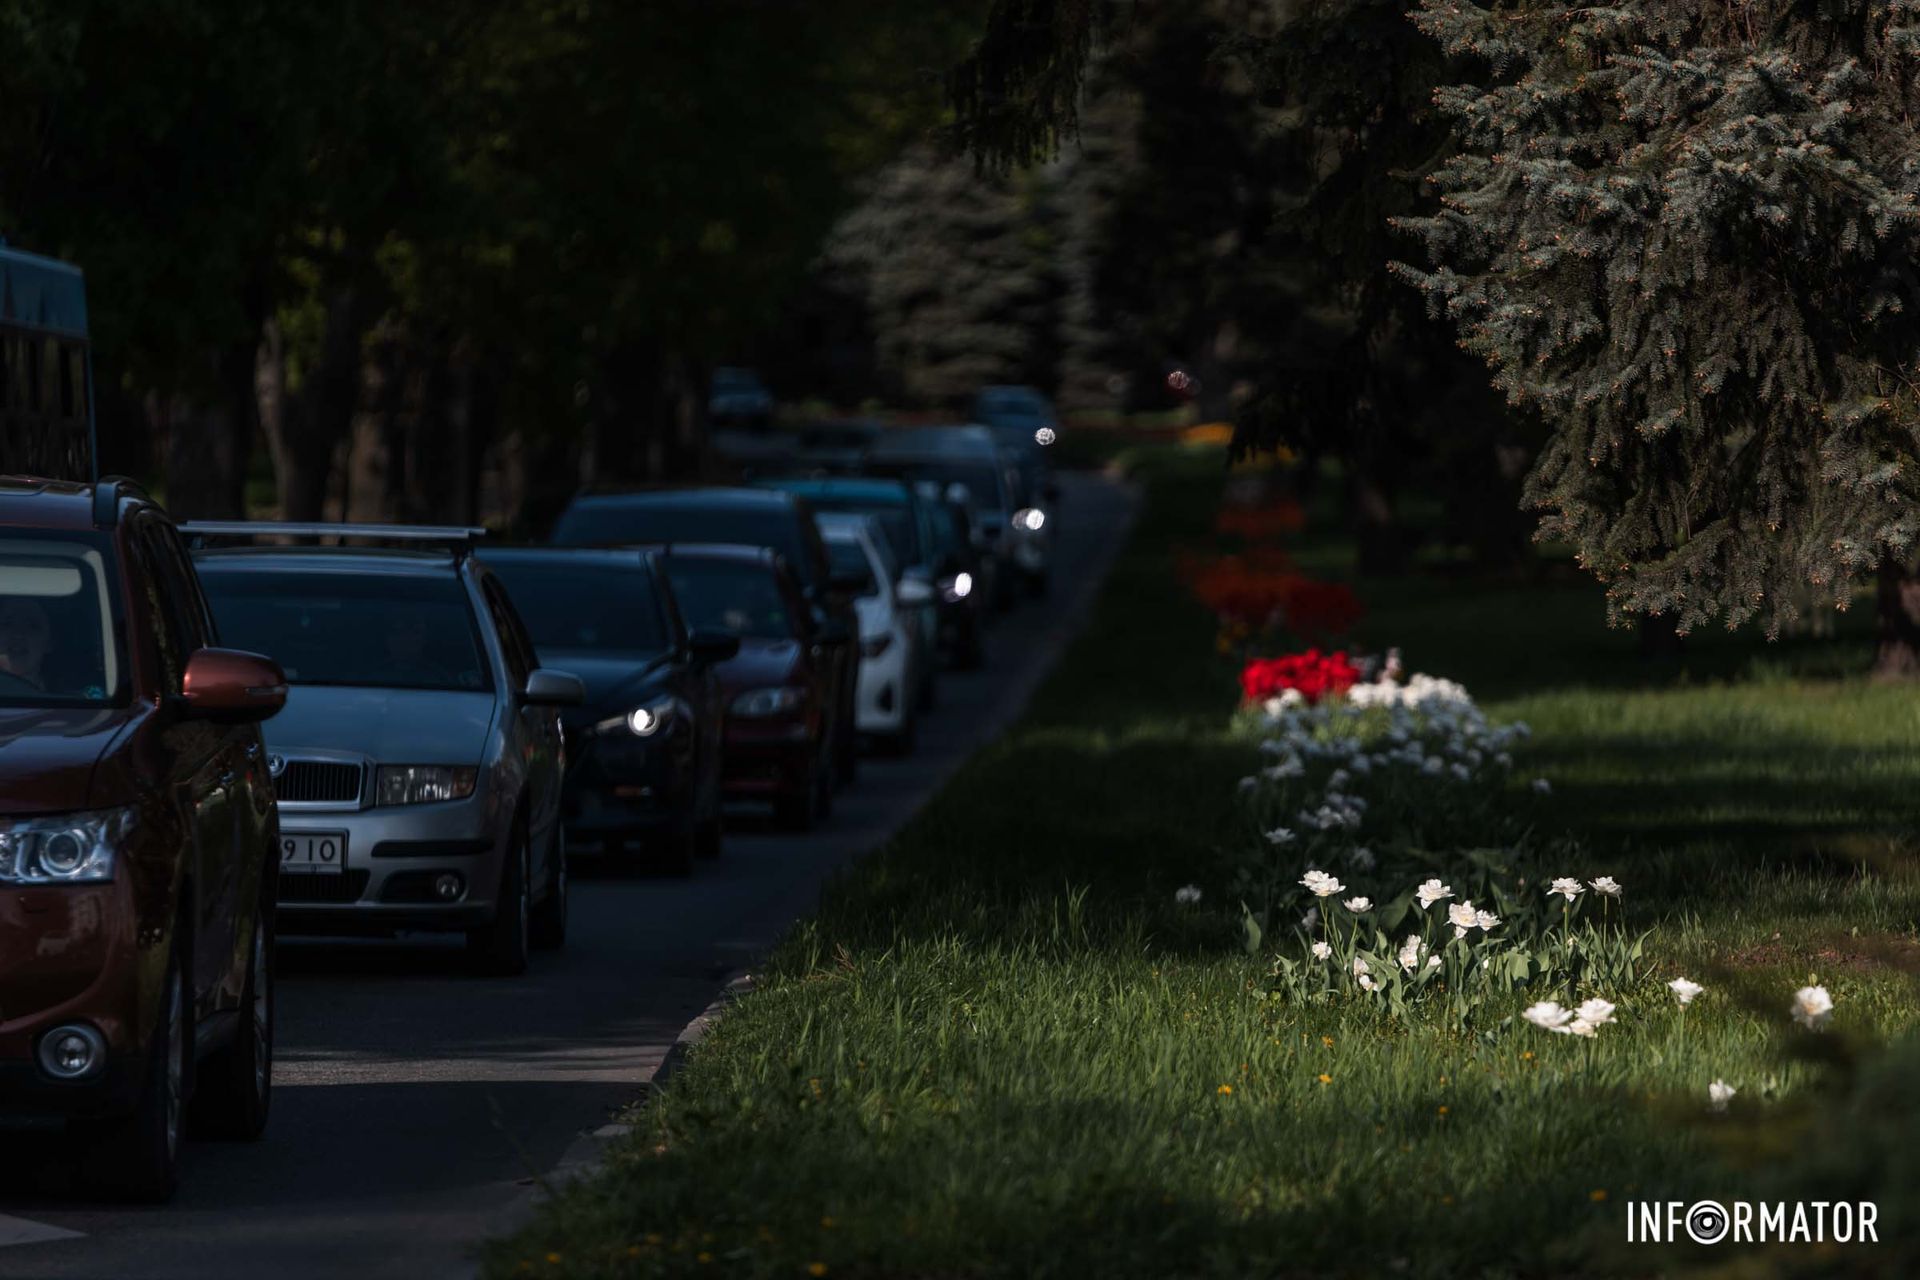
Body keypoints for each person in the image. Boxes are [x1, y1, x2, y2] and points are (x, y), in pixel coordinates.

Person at [0, 597, 51, 690]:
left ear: (49, 642)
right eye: (7, 624)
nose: (18, 634)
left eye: (32, 626)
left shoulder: (72, 701)